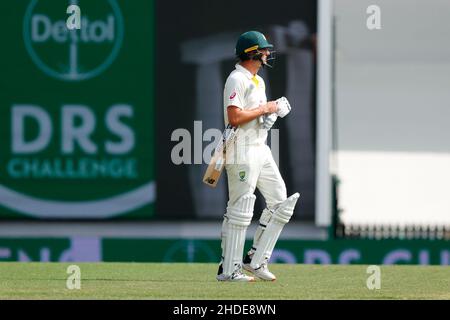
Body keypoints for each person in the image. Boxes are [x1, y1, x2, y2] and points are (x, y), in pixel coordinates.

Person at [216, 31, 300, 282]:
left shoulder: (258, 81)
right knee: (241, 208)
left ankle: (255, 259)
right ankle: (228, 269)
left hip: (261, 148)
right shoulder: (236, 79)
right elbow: (235, 118)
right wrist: (266, 107)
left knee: (280, 202)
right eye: (263, 50)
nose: (267, 54)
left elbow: (255, 118)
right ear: (252, 53)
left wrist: (270, 116)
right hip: (241, 150)